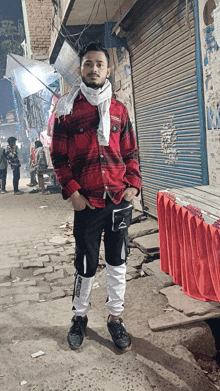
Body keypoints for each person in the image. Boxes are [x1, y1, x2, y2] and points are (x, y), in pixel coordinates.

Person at [51, 42, 142, 352]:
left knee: (118, 262)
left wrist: (133, 184)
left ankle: (115, 318)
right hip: (87, 202)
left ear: (107, 69)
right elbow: (59, 158)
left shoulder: (119, 110)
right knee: (86, 263)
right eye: (88, 63)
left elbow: (130, 152)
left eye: (99, 64)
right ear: (81, 69)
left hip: (118, 200)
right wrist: (72, 191)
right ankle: (80, 317)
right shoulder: (67, 110)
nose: (93, 68)